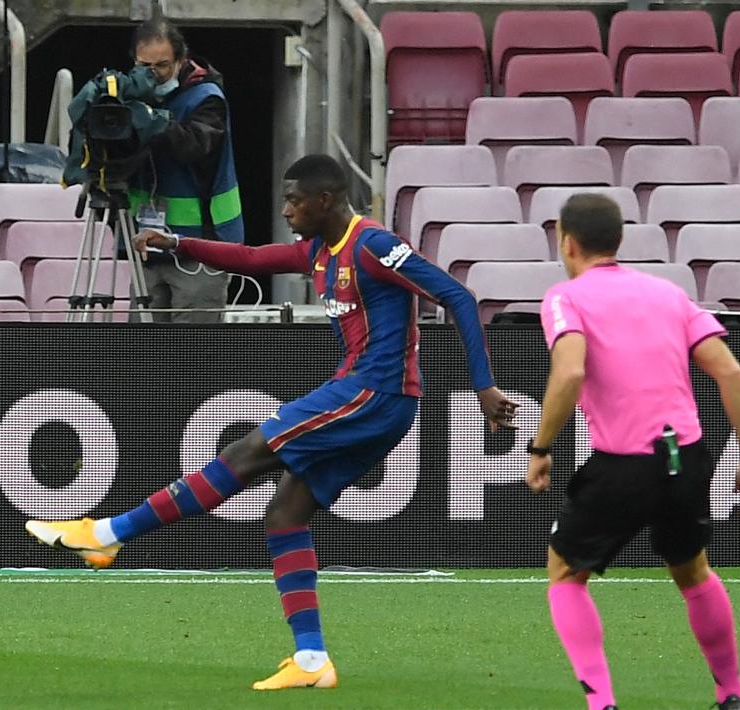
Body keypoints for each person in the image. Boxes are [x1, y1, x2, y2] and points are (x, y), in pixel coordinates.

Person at [26, 154, 518, 690]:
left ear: (325, 200)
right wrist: (179, 244)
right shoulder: (318, 250)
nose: (285, 210)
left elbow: (458, 296)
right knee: (284, 516)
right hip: (369, 398)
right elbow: (254, 258)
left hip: (373, 393)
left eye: (293, 200)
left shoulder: (372, 245)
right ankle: (312, 661)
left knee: (245, 453)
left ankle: (107, 535)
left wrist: (483, 384)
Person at [525, 193, 740, 710]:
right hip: (686, 460)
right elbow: (731, 372)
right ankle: (732, 695)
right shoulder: (668, 294)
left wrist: (540, 447)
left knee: (566, 574)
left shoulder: (566, 298)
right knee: (693, 570)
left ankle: (602, 703)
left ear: (566, 243)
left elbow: (569, 372)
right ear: (618, 241)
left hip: (623, 464)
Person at [127, 18, 243, 323]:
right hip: (147, 245)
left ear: (181, 60)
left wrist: (151, 119)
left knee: (191, 362)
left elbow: (191, 146)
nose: (153, 75)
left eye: (162, 66)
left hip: (202, 245)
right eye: (144, 66)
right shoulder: (133, 97)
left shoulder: (207, 99)